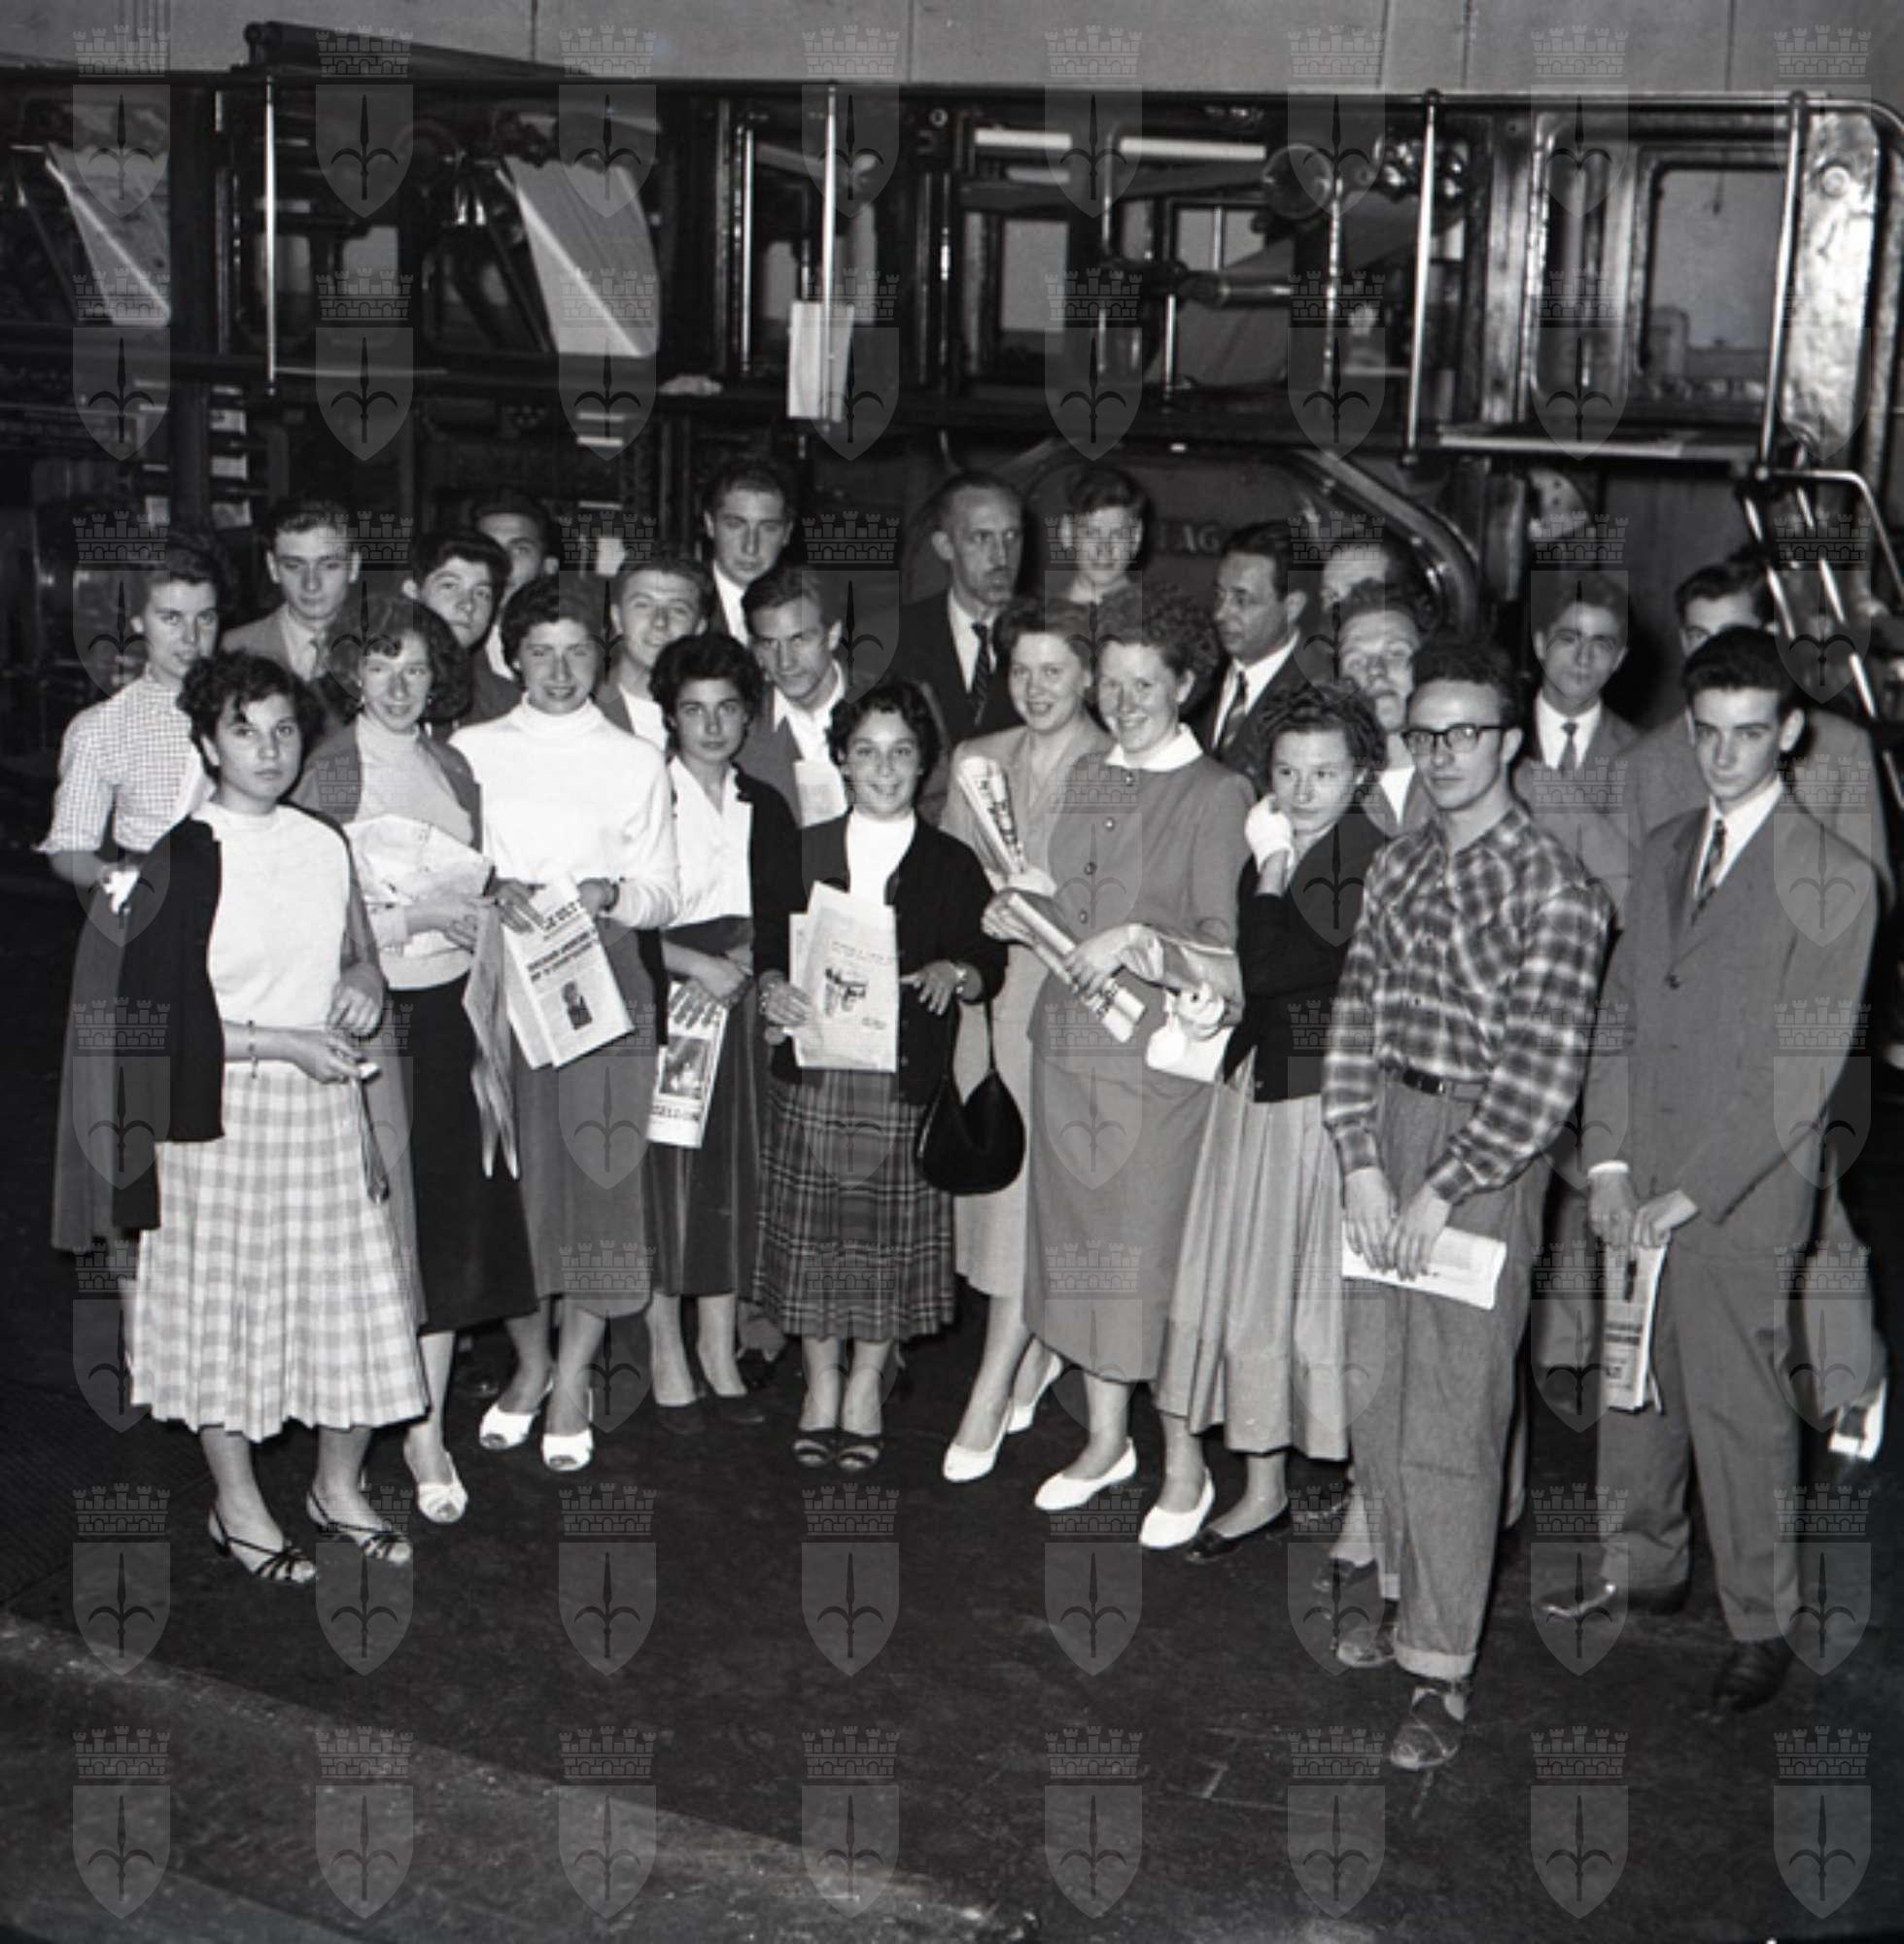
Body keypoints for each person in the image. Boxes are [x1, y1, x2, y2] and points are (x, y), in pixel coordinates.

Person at [1542, 629, 1878, 1712]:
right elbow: (1619, 1010)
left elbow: (1801, 1070)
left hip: (1744, 1188)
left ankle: (1761, 1620)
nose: (1724, 755)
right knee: (1635, 1379)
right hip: (1639, 1168)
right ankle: (1641, 1565)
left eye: (1748, 734)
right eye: (1707, 734)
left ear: (1789, 733)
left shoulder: (1835, 874)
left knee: (1741, 1406)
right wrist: (1608, 1160)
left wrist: (1693, 1189)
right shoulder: (1663, 847)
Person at [1321, 641, 1612, 1770]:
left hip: (1485, 1158)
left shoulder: (1557, 889)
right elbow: (1355, 1013)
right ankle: (1401, 1586)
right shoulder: (1397, 864)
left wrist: (1445, 1183)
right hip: (1387, 1127)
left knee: (1451, 1411)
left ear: (1510, 741)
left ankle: (1440, 1668)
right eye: (1425, 734)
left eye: (1466, 733)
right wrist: (1359, 1158)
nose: (1442, 753)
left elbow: (1540, 1077)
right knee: (1377, 1385)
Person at [114, 651, 426, 1582]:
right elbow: (156, 1023)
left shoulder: (323, 841)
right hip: (220, 1119)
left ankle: (337, 1488)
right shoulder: (180, 856)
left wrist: (364, 981)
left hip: (322, 1108)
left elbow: (358, 953)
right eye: (244, 730)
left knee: (352, 1310)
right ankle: (237, 1505)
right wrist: (283, 1042)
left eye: (284, 729)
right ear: (209, 744)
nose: (268, 748)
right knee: (227, 1320)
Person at [294, 595, 537, 1523]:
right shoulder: (326, 768)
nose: (398, 687)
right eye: (380, 666)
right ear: (352, 673)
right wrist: (414, 919)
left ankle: (426, 1430)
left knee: (450, 1227)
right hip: (373, 1017)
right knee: (383, 1232)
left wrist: (496, 899)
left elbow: (468, 876)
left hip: (452, 1012)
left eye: (416, 669)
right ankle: (351, 1443)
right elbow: (312, 916)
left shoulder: (453, 765)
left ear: (440, 679)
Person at [1011, 589, 1253, 1512]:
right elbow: (1072, 915)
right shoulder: (1088, 774)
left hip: (1154, 1068)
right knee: (1078, 1253)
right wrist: (1021, 911)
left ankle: (1184, 1464)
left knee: (1151, 1265)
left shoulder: (1218, 793)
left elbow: (1225, 952)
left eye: (1143, 685)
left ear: (1186, 685)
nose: (1122, 703)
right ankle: (1105, 1440)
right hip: (1067, 1053)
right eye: (1109, 684)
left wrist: (1143, 941)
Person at [451, 576, 680, 1472]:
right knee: (516, 1184)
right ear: (511, 657)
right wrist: (487, 885)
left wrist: (609, 892)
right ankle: (532, 1362)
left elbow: (662, 893)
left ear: (602, 654)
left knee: (599, 1178)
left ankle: (576, 1374)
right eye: (539, 653)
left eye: (577, 652)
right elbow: (444, 867)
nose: (558, 671)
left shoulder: (636, 759)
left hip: (603, 981)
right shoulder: (470, 750)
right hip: (505, 981)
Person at [1153, 684, 1390, 1553]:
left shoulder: (1367, 856)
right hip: (1257, 1085)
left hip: (1327, 1102)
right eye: (1286, 772)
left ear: (1359, 774)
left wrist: (1273, 867)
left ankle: (1369, 1502)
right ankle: (1262, 1488)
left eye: (1323, 773)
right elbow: (1256, 982)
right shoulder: (1279, 848)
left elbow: (1274, 965)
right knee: (1251, 1292)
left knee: (1329, 1305)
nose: (1301, 789)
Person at [754, 679, 1005, 1473]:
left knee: (883, 1251)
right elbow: (768, 951)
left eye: (901, 753)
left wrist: (954, 972)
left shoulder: (951, 862)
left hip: (903, 1077)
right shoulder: (803, 848)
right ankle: (819, 1380)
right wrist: (772, 987)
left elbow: (987, 963)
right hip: (815, 1071)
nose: (885, 769)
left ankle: (866, 1380)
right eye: (866, 752)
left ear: (923, 762)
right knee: (815, 1245)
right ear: (841, 760)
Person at [938, 597, 1112, 1480]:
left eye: (1054, 671)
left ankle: (990, 1385)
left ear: (1088, 677)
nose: (1035, 688)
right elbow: (943, 878)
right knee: (997, 1192)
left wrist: (1057, 905)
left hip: (1078, 1010)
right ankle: (1033, 1347)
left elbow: (1131, 900)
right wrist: (979, 914)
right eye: (1020, 671)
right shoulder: (977, 760)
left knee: (1043, 1203)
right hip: (992, 1005)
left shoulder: (1117, 766)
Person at [44, 534, 225, 1255]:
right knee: (131, 1128)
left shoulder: (249, 706)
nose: (191, 638)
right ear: (139, 621)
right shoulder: (105, 726)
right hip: (140, 927)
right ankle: (135, 1313)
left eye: (206, 618)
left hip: (239, 919)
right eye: (172, 618)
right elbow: (68, 849)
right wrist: (117, 877)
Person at [640, 632, 800, 1431]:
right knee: (664, 1173)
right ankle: (662, 1344)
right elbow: (612, 920)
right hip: (663, 997)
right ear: (669, 716)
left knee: (734, 1172)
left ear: (747, 717)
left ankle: (717, 1343)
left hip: (736, 1004)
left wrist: (755, 965)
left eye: (727, 709)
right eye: (693, 709)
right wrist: (690, 964)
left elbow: (785, 916)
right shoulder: (642, 794)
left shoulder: (763, 804)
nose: (710, 726)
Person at [892, 473, 1027, 755]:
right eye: (982, 538)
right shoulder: (897, 637)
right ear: (945, 546)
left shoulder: (1049, 633)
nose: (1001, 557)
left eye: (1011, 536)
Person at [1189, 520, 1318, 795]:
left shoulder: (1319, 691)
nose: (1220, 614)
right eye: (1219, 595)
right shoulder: (1197, 672)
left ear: (1292, 607)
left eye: (1241, 600)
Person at [739, 566, 859, 823]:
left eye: (799, 640)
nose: (785, 662)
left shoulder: (894, 702)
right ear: (756, 650)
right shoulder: (740, 730)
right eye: (769, 644)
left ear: (833, 635)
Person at [224, 497, 360, 684]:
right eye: (294, 566)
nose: (311, 584)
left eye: (329, 566)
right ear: (272, 567)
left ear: (353, 567)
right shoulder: (234, 650)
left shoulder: (387, 646)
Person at [1334, 581, 1434, 835]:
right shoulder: (1320, 788)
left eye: (1396, 653)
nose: (1376, 671)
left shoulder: (1486, 774)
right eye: (1356, 661)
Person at [459, 492, 562, 727]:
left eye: (520, 550)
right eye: (488, 548)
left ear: (548, 566)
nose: (502, 563)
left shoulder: (576, 651)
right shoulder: (452, 650)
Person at [601, 554, 713, 745]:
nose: (660, 622)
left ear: (699, 628)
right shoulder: (582, 705)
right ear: (617, 618)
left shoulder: (725, 715)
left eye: (678, 610)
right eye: (643, 605)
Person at [404, 527, 509, 712]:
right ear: (413, 593)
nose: (468, 604)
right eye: (449, 586)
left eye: (481, 593)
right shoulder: (372, 684)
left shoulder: (504, 701)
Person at [702, 457, 796, 642]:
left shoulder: (807, 613)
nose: (750, 547)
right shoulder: (684, 605)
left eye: (768, 528)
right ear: (710, 525)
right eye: (735, 525)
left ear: (787, 533)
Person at [1053, 467, 1147, 613]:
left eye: (1118, 534)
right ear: (1067, 533)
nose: (1104, 548)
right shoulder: (1039, 619)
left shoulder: (1164, 618)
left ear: (1136, 537)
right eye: (1091, 533)